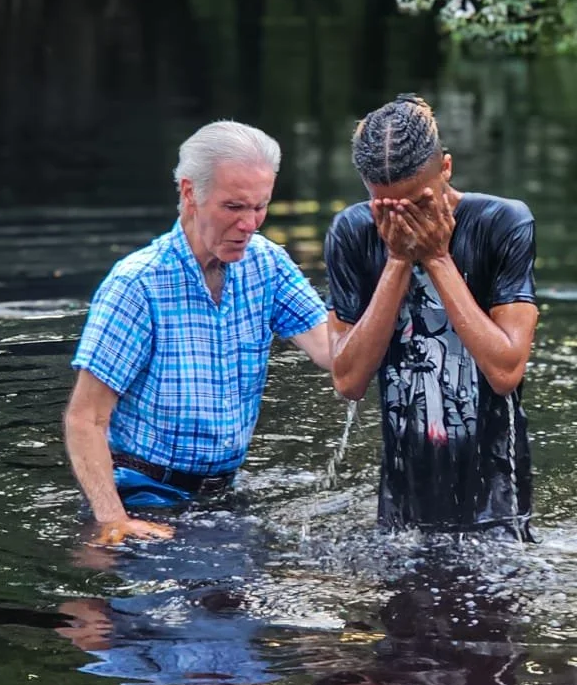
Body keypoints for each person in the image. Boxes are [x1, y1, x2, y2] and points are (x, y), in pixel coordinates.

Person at [64, 119, 332, 543]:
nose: (250, 224)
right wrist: (112, 520)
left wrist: (398, 272)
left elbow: (334, 352)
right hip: (142, 494)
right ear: (190, 193)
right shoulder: (138, 284)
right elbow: (85, 418)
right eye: (234, 207)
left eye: (259, 207)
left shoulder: (267, 265)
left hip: (224, 494)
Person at [324, 93, 538, 537]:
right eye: (387, 208)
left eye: (417, 204)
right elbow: (348, 380)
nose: (403, 220)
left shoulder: (503, 223)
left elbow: (505, 370)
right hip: (403, 492)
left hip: (495, 493)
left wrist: (438, 258)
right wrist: (399, 261)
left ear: (446, 168)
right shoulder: (352, 232)